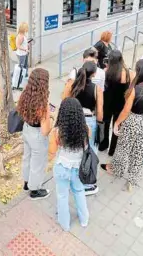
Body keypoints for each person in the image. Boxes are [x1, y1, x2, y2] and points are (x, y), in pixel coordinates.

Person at [101, 59, 143, 191]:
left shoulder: (135, 89)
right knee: (139, 152)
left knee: (123, 149)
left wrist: (117, 123)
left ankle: (117, 170)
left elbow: (126, 110)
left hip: (132, 121)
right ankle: (132, 181)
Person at [47, 97, 90, 231]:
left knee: (62, 195)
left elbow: (52, 152)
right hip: (78, 168)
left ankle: (65, 224)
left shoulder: (57, 132)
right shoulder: (86, 129)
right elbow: (86, 147)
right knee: (79, 191)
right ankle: (84, 220)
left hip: (62, 167)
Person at [62, 61, 102, 196]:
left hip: (75, 118)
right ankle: (88, 183)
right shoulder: (97, 89)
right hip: (90, 120)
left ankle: (72, 177)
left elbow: (66, 101)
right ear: (94, 74)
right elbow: (100, 111)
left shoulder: (73, 86)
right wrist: (100, 124)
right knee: (89, 151)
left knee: (75, 149)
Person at [17, 68, 51, 200]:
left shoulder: (25, 94)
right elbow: (45, 130)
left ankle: (26, 183)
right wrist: (51, 119)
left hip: (26, 130)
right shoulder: (42, 104)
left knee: (27, 158)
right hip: (37, 136)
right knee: (38, 164)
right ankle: (35, 190)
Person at [101, 50, 133, 155]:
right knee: (117, 125)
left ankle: (103, 144)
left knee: (105, 123)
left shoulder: (107, 72)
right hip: (120, 104)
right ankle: (112, 150)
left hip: (107, 102)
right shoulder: (126, 72)